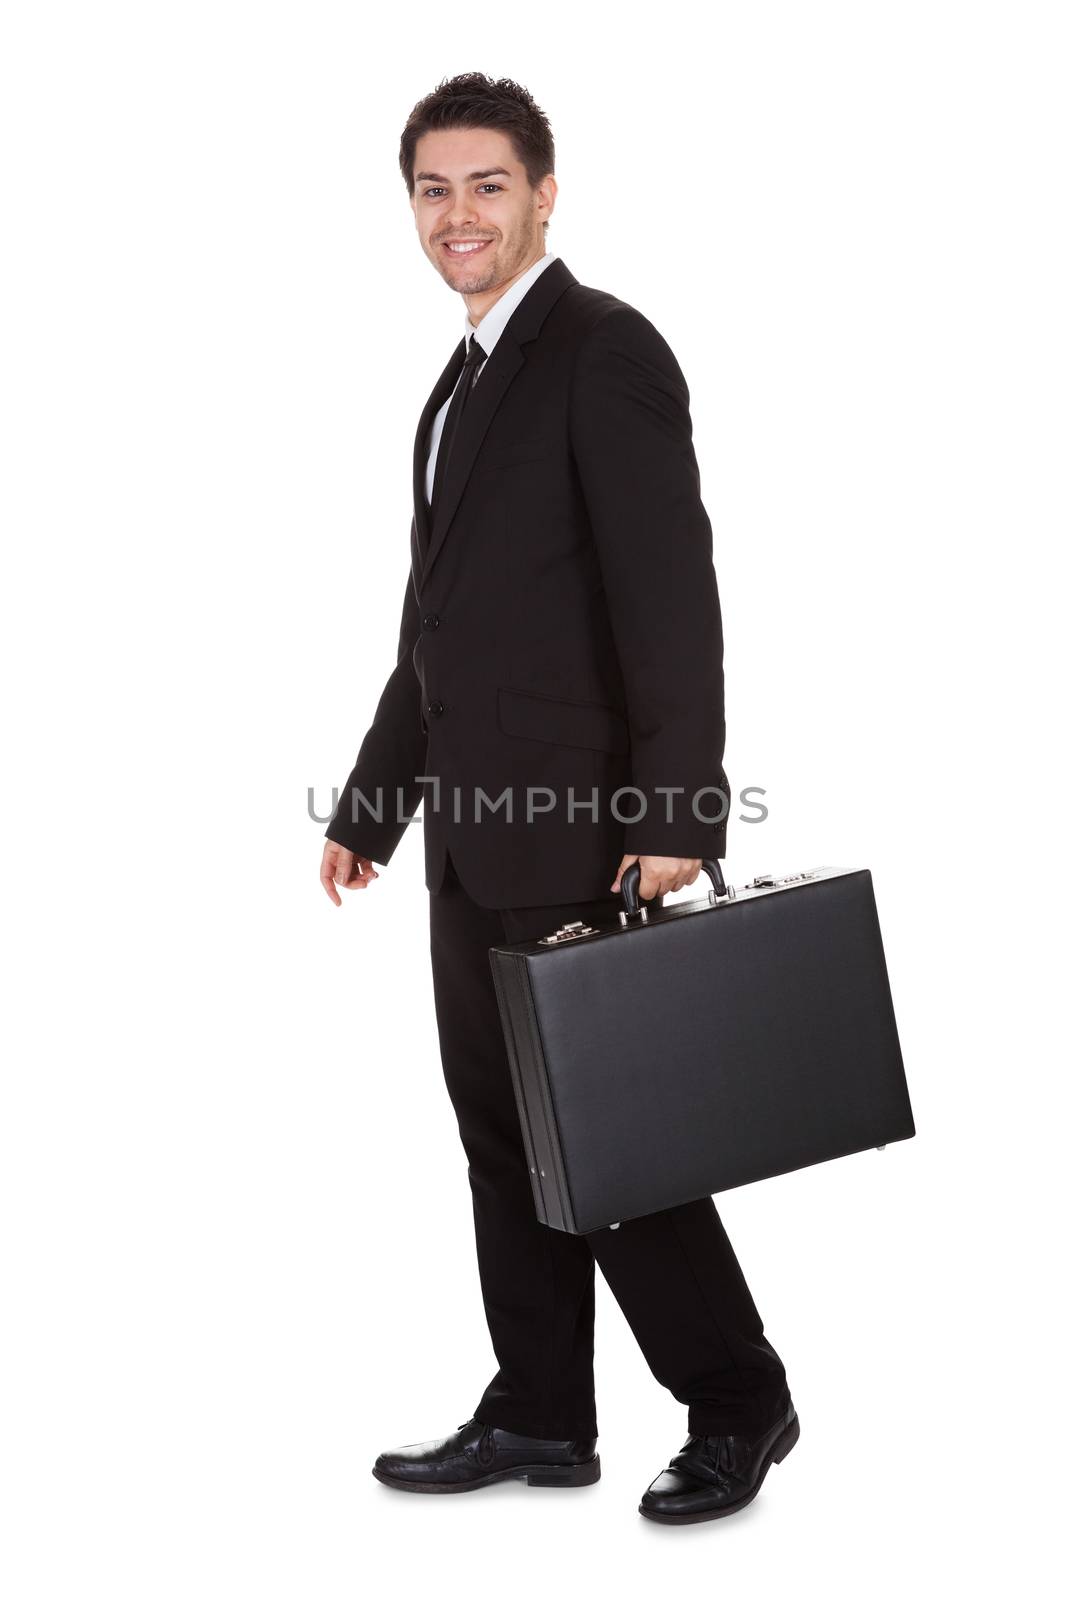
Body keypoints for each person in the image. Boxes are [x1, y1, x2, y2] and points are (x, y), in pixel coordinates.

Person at [319, 71, 797, 1524]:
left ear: (543, 194)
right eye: (432, 189)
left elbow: (674, 604)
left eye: (486, 186)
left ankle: (741, 1402)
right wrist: (371, 803)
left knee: (608, 1138)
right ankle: (540, 1411)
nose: (457, 215)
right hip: (472, 842)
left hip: (585, 829)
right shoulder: (457, 387)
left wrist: (676, 818)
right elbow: (439, 628)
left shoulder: (603, 352)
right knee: (503, 1137)